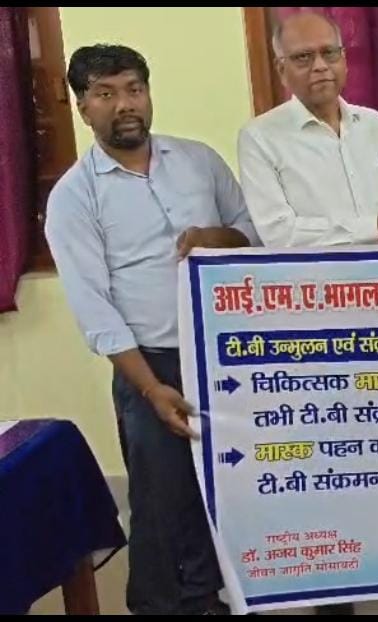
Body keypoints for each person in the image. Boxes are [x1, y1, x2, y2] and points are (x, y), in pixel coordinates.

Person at [45, 44, 259, 615]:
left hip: (222, 352)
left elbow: (251, 236)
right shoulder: (74, 197)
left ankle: (210, 598)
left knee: (225, 488)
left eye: (134, 89)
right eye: (106, 94)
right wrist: (149, 388)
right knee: (162, 499)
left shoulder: (199, 161)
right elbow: (95, 309)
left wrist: (213, 238)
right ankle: (164, 605)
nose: (125, 105)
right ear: (82, 107)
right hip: (151, 364)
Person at [238, 11, 378, 248]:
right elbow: (280, 234)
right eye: (304, 57)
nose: (320, 66)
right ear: (281, 70)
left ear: (344, 60)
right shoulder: (260, 137)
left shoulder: (374, 124)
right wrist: (375, 226)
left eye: (329, 53)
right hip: (319, 273)